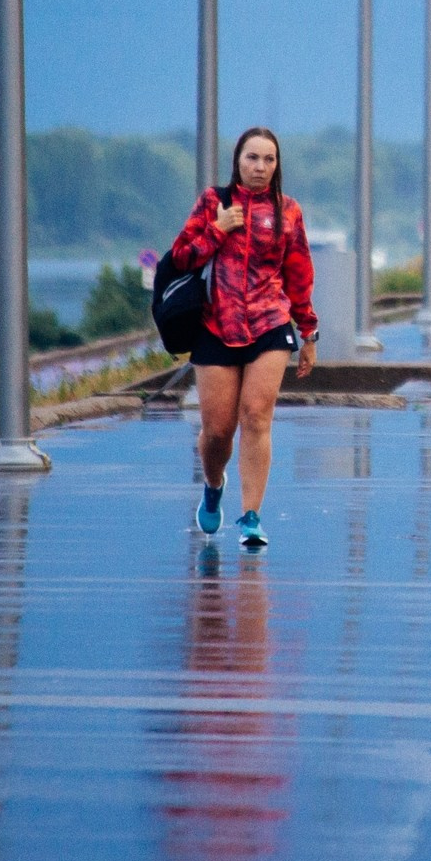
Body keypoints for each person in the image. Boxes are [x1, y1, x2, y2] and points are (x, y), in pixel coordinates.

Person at [168, 126, 316, 549]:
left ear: (277, 165)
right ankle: (214, 487)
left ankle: (251, 516)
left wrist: (308, 332)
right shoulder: (215, 203)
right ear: (237, 161)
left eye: (268, 160)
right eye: (252, 158)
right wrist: (217, 230)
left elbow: (300, 274)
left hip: (270, 323)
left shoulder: (288, 211)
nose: (260, 167)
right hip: (216, 325)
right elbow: (180, 256)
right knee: (218, 431)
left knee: (256, 416)